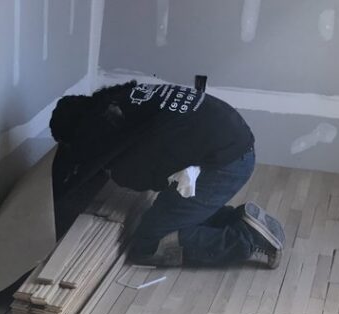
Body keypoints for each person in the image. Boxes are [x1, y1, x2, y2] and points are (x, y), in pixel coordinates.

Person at [50, 79, 285, 269]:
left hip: (225, 165)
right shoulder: (121, 100)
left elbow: (142, 180)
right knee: (168, 209)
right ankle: (237, 218)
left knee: (148, 244)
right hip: (234, 141)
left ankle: (247, 240)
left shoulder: (117, 134)